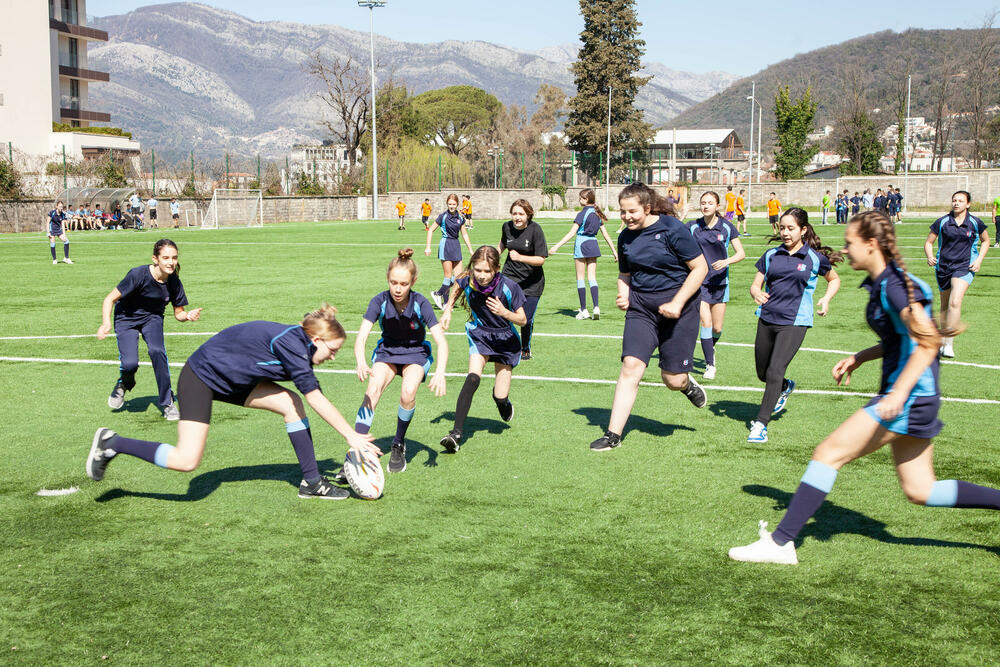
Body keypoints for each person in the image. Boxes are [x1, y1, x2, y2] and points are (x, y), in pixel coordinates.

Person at [729, 211, 1000, 565]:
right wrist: (861, 356)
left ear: (871, 245)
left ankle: (781, 543)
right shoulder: (885, 283)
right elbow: (902, 338)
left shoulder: (895, 286)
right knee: (921, 490)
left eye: (850, 242)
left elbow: (928, 341)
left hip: (908, 398)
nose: (844, 249)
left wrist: (900, 393)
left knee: (828, 453)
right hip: (917, 398)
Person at [87, 304, 380, 500]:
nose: (332, 357)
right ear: (316, 340)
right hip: (201, 377)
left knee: (290, 403)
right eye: (332, 350)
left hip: (235, 380)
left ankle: (312, 482)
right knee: (186, 460)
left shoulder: (300, 344)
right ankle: (112, 443)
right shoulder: (293, 345)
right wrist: (350, 435)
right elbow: (315, 397)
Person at [589, 183, 709, 452]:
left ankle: (687, 385)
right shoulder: (625, 237)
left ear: (647, 207)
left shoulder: (672, 229)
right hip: (641, 308)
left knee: (672, 379)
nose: (627, 217)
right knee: (631, 366)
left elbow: (700, 268)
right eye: (622, 212)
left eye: (632, 211)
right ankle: (613, 434)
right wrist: (623, 294)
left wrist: (678, 302)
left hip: (680, 308)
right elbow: (625, 274)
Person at [747, 208, 841, 444]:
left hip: (795, 320)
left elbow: (834, 278)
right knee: (763, 373)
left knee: (775, 370)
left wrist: (826, 298)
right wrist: (757, 293)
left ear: (803, 230)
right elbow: (755, 285)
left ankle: (760, 425)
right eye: (782, 228)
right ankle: (785, 386)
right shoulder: (771, 255)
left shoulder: (813, 258)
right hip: (767, 317)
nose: (785, 233)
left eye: (791, 228)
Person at [353, 249, 448, 474]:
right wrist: (360, 360)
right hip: (388, 352)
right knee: (372, 389)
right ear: (388, 279)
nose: (397, 288)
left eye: (404, 284)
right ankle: (356, 450)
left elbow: (441, 342)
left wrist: (440, 372)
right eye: (393, 282)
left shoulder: (421, 303)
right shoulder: (379, 300)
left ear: (413, 281)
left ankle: (398, 443)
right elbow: (362, 336)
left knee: (408, 392)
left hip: (415, 353)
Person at [98, 239, 202, 420]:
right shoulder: (138, 275)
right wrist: (106, 323)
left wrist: (187, 316)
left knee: (157, 352)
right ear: (155, 259)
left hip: (152, 318)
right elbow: (110, 299)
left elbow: (178, 313)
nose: (171, 262)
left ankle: (168, 402)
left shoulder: (174, 283)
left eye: (174, 258)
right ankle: (124, 382)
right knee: (130, 364)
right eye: (166, 258)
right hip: (126, 318)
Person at [438, 246, 527, 453]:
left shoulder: (509, 287)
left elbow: (522, 319)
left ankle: (502, 402)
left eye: (487, 271)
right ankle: (456, 434)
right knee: (472, 378)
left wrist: (505, 312)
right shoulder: (469, 279)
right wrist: (448, 309)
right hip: (480, 335)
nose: (482, 276)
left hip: (506, 339)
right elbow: (457, 286)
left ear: (496, 268)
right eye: (478, 270)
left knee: (500, 395)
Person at [923, 191, 990, 358]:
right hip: (944, 266)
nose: (956, 203)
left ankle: (949, 344)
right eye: (954, 200)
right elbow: (929, 242)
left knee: (955, 301)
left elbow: (986, 240)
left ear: (968, 204)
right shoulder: (943, 221)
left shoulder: (975, 222)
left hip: (964, 266)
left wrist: (979, 260)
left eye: (960, 201)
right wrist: (930, 256)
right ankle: (942, 340)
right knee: (945, 305)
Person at [687, 192, 746, 380]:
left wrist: (726, 261)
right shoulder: (693, 227)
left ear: (717, 206)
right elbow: (675, 239)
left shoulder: (727, 228)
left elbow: (741, 253)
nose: (706, 206)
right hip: (699, 283)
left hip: (720, 282)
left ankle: (709, 346)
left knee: (717, 328)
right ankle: (710, 365)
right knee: (706, 323)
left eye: (710, 203)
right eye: (703, 203)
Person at [549, 188, 618, 320]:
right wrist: (614, 251)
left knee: (580, 278)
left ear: (586, 200)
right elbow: (605, 234)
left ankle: (584, 310)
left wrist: (556, 246)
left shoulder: (581, 214)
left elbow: (571, 233)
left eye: (581, 198)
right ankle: (596, 307)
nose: (579, 200)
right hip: (593, 245)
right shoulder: (597, 214)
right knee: (592, 277)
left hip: (581, 244)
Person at [498, 199, 548, 359]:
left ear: (528, 215)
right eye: (514, 214)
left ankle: (525, 347)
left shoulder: (535, 230)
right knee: (500, 312)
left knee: (525, 319)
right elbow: (502, 244)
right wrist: (492, 256)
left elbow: (541, 259)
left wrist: (520, 257)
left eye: (521, 214)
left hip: (532, 283)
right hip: (509, 279)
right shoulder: (506, 227)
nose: (517, 217)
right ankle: (504, 344)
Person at [425, 193, 474, 310]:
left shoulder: (461, 218)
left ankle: (438, 293)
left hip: (456, 245)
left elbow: (464, 234)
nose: (451, 206)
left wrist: (471, 250)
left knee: (459, 277)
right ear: (447, 204)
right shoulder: (443, 216)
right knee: (448, 276)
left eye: (454, 204)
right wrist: (428, 247)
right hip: (446, 244)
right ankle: (446, 303)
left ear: (457, 204)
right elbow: (430, 230)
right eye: (449, 204)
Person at [47, 200, 72, 264]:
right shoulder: (52, 213)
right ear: (56, 206)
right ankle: (54, 259)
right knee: (53, 244)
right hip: (52, 230)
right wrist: (48, 232)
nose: (61, 208)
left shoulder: (63, 214)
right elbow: (48, 222)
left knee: (66, 241)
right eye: (60, 206)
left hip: (58, 230)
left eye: (62, 207)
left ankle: (66, 258)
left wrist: (64, 234)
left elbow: (63, 225)